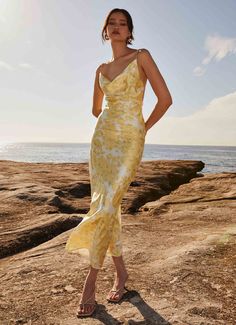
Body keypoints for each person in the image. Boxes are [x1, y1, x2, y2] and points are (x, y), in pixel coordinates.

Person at [65, 7, 172, 317]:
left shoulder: (142, 57)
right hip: (102, 142)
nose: (116, 27)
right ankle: (121, 273)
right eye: (111, 23)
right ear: (105, 30)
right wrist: (112, 122)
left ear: (130, 31)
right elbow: (96, 110)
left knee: (108, 205)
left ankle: (91, 281)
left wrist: (141, 128)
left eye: (122, 24)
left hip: (129, 142)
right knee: (105, 206)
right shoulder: (100, 69)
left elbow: (165, 99)